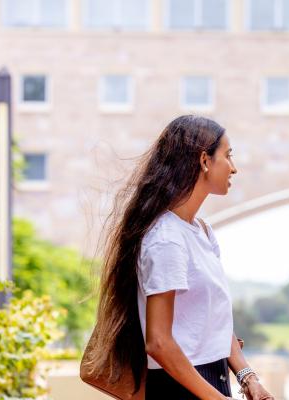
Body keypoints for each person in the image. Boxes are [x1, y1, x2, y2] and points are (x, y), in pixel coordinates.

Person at [91, 115, 274, 399]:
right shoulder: (166, 239)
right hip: (180, 386)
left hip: (211, 379)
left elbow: (214, 321)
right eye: (228, 156)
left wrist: (248, 378)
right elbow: (159, 342)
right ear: (204, 161)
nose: (233, 168)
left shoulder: (201, 231)